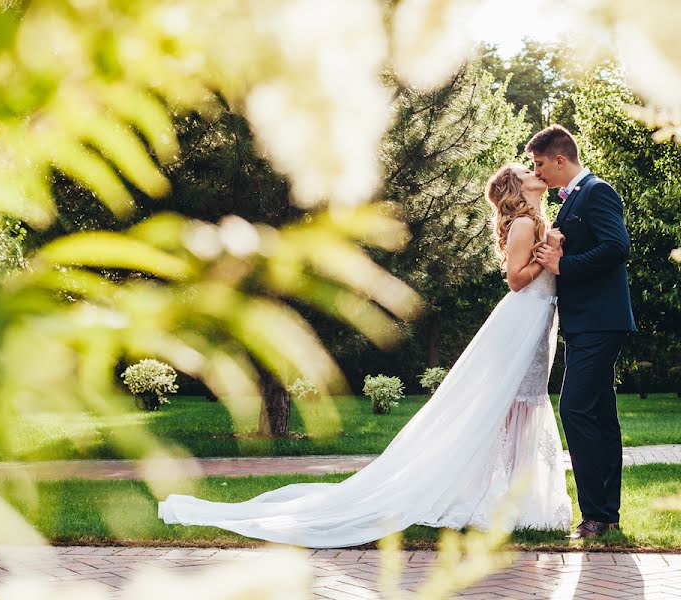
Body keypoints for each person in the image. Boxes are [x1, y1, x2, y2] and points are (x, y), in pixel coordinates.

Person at [158, 163, 572, 548]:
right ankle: (500, 498)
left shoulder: (535, 221)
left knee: (522, 407)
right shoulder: (522, 224)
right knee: (510, 407)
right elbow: (517, 281)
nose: (533, 170)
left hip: (536, 322)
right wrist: (544, 256)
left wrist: (549, 248)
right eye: (525, 170)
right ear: (517, 189)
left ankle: (515, 497)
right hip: (522, 318)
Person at [530, 125, 636, 539]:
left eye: (541, 164)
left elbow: (617, 247)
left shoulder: (597, 191)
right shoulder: (574, 198)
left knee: (574, 409)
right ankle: (606, 514)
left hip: (600, 321)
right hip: (585, 322)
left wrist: (564, 266)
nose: (538, 173)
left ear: (560, 160)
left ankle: (595, 515)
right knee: (600, 416)